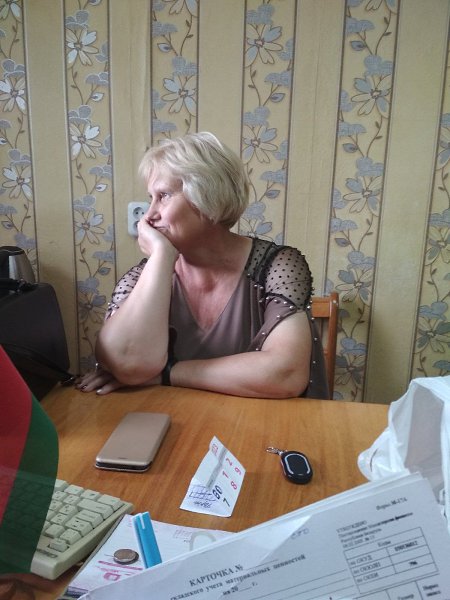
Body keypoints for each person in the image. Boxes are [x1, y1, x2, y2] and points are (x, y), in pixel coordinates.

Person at [77, 132, 328, 399]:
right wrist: (161, 256)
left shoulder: (276, 266)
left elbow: (285, 374)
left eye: (163, 196)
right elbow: (125, 363)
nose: (148, 216)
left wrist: (167, 373)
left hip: (261, 420)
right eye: (150, 198)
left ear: (207, 197)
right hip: (179, 417)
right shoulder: (145, 275)